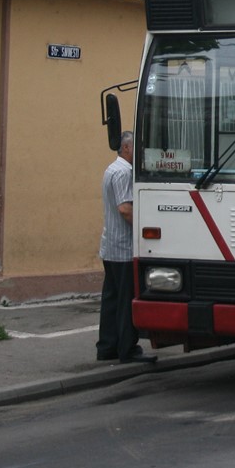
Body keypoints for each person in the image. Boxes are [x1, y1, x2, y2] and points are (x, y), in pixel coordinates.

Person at [96, 131, 156, 364]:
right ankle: (126, 349)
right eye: (137, 148)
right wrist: (142, 229)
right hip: (123, 247)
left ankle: (107, 346)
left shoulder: (111, 169)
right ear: (127, 148)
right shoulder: (124, 172)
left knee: (111, 299)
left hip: (110, 245)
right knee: (125, 299)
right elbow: (125, 209)